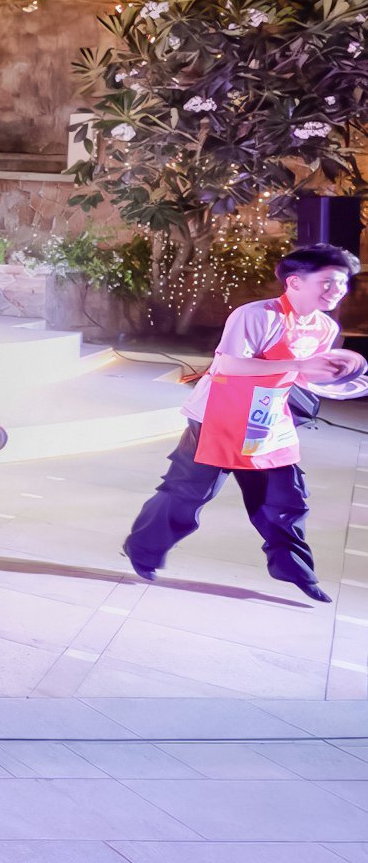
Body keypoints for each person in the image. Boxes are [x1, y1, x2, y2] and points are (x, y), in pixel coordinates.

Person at [122, 243, 365, 603]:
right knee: (190, 492)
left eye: (342, 283)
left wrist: (340, 382)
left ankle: (294, 568)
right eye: (327, 282)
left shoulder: (325, 327)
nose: (336, 290)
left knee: (285, 497)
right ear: (294, 282)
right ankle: (143, 548)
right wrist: (299, 366)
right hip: (218, 415)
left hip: (268, 418)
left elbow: (304, 376)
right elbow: (229, 365)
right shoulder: (256, 315)